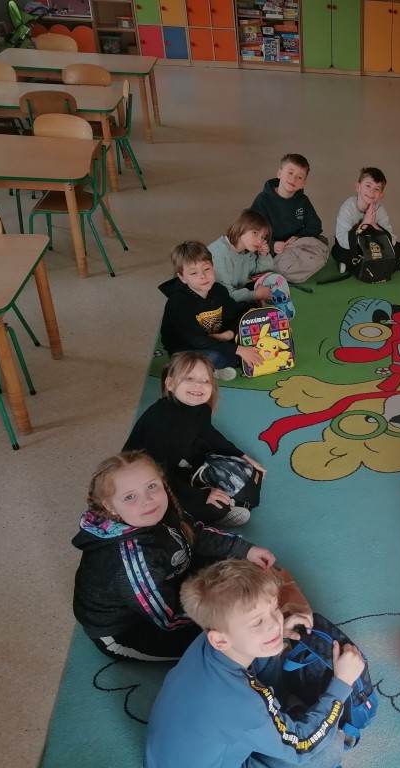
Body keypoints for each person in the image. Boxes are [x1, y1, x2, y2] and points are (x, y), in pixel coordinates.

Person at [145, 559, 367, 768]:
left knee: (264, 655)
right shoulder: (242, 701)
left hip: (176, 751)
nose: (274, 623)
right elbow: (302, 745)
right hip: (224, 751)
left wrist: (276, 635)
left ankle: (282, 709)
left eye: (273, 608)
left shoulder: (210, 639)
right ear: (220, 639)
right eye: (257, 622)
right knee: (327, 749)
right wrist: (341, 683)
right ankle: (286, 713)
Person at [72, 451, 275, 662]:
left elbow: (194, 533)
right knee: (233, 639)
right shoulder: (131, 560)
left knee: (239, 569)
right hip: (130, 630)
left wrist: (245, 549)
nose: (147, 500)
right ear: (110, 506)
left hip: (164, 578)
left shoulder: (157, 510)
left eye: (152, 486)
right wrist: (228, 614)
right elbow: (167, 618)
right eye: (130, 497)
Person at [124, 351, 266, 527]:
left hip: (176, 462)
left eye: (206, 380)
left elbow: (211, 435)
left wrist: (244, 457)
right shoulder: (159, 418)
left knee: (234, 465)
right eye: (189, 378)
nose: (198, 385)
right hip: (146, 476)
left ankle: (212, 493)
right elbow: (156, 471)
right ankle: (209, 510)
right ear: (170, 384)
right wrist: (201, 495)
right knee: (206, 507)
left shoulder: (201, 409)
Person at [159, 241, 263, 380]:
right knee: (213, 357)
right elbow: (197, 341)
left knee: (250, 314)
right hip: (187, 348)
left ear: (213, 268)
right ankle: (199, 368)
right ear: (183, 277)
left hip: (215, 338)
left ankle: (211, 369)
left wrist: (230, 333)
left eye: (206, 269)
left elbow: (233, 313)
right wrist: (239, 350)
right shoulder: (178, 303)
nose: (203, 276)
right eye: (193, 273)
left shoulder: (219, 290)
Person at [250, 153, 328, 286]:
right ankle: (278, 271)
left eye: (299, 177)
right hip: (270, 249)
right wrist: (272, 245)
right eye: (290, 173)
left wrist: (298, 237)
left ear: (303, 184)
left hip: (293, 245)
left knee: (322, 242)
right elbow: (252, 231)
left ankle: (283, 271)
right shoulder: (263, 200)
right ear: (279, 173)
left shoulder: (303, 201)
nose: (293, 179)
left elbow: (315, 225)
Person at [208, 208, 295, 320]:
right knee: (250, 311)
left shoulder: (245, 249)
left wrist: (263, 255)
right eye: (255, 233)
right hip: (214, 303)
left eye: (263, 237)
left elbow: (264, 274)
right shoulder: (218, 254)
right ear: (241, 228)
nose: (259, 241)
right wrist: (256, 295)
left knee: (272, 282)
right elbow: (226, 294)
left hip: (234, 292)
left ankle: (282, 317)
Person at [331, 166, 400, 274]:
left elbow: (392, 239)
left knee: (398, 248)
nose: (371, 191)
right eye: (368, 186)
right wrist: (365, 223)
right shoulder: (347, 208)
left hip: (372, 245)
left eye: (377, 189)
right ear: (358, 187)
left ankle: (355, 265)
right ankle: (391, 263)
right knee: (338, 251)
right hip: (355, 245)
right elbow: (343, 241)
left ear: (381, 195)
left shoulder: (379, 209)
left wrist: (374, 225)